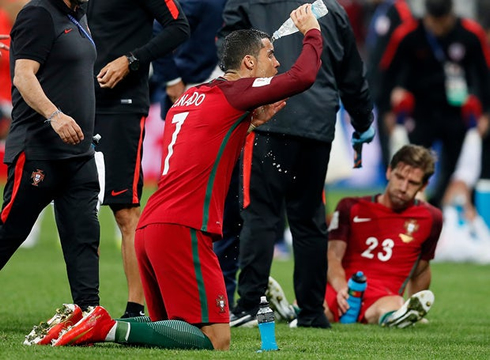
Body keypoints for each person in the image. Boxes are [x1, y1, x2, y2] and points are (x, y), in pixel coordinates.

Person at [30, 4, 324, 350]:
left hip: (152, 228)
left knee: (174, 334)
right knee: (217, 338)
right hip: (182, 230)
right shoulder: (236, 93)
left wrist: (250, 125)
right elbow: (302, 77)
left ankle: (90, 324)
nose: (276, 63)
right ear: (248, 63)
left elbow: (202, 149)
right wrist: (311, 32)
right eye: (270, 55)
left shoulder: (191, 96)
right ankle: (105, 327)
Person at [219, 0, 375, 329]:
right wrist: (362, 121)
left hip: (267, 118)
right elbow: (351, 73)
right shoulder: (332, 9)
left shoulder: (247, 3)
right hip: (317, 126)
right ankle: (311, 312)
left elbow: (230, 52)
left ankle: (249, 304)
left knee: (259, 215)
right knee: (309, 220)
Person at [85, 0, 190, 318]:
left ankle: (136, 308)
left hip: (122, 105)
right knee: (77, 209)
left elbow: (179, 27)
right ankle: (85, 304)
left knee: (125, 211)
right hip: (76, 100)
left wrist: (131, 60)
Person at [0, 0, 100, 326]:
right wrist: (54, 115)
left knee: (84, 235)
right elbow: (22, 76)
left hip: (80, 153)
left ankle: (88, 313)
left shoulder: (79, 15)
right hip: (40, 150)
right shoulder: (38, 13)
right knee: (9, 230)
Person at [379, 0, 490, 207]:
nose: (438, 28)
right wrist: (387, 111)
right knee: (412, 164)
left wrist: (486, 113)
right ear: (426, 15)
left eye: (443, 22)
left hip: (457, 113)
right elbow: (387, 72)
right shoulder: (408, 33)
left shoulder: (471, 34)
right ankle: (407, 211)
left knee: (461, 168)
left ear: (451, 15)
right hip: (420, 112)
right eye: (433, 22)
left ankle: (449, 213)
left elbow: (485, 75)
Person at [325, 144, 442, 327]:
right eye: (399, 177)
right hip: (341, 290)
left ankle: (399, 316)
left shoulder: (431, 218)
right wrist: (341, 289)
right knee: (314, 304)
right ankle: (291, 311)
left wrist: (414, 304)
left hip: (383, 297)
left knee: (394, 305)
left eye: (412, 183)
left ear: (424, 185)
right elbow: (333, 256)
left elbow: (421, 269)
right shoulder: (350, 206)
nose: (403, 187)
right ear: (388, 172)